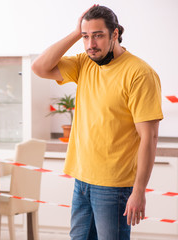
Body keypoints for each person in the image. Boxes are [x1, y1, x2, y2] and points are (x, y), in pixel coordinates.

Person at [32, 5, 163, 240]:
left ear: (115, 34)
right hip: (82, 180)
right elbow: (39, 67)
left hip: (115, 185)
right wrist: (76, 33)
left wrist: (139, 190)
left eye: (98, 35)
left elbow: (149, 137)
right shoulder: (85, 63)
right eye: (86, 37)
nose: (91, 44)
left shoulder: (139, 74)